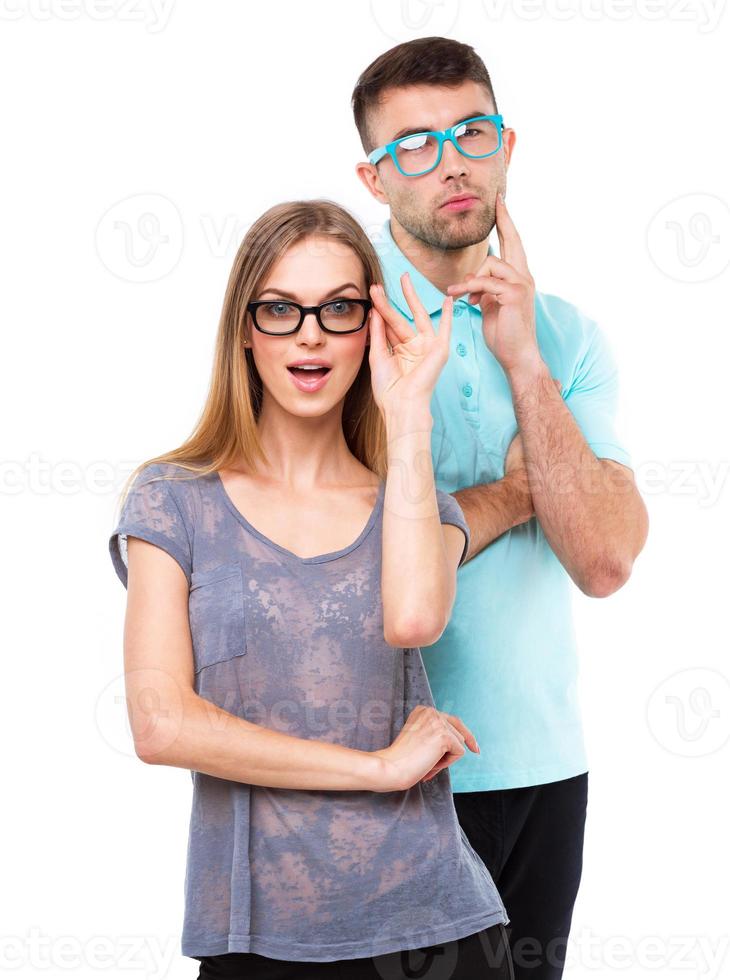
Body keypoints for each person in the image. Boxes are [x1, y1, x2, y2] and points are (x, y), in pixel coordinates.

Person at [108, 199, 516, 979]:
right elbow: (160, 724)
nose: (309, 334)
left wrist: (408, 414)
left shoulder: (416, 502)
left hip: (436, 932)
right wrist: (376, 769)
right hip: (258, 939)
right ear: (244, 330)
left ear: (374, 325)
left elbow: (414, 618)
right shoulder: (173, 500)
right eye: (281, 309)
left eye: (338, 308)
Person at [352, 37, 649, 980]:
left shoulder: (566, 335)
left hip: (545, 770)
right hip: (388, 773)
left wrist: (524, 361)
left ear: (507, 148)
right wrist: (526, 491)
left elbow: (604, 559)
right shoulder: (338, 328)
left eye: (471, 132)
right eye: (415, 144)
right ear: (373, 176)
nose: (450, 161)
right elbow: (338, 559)